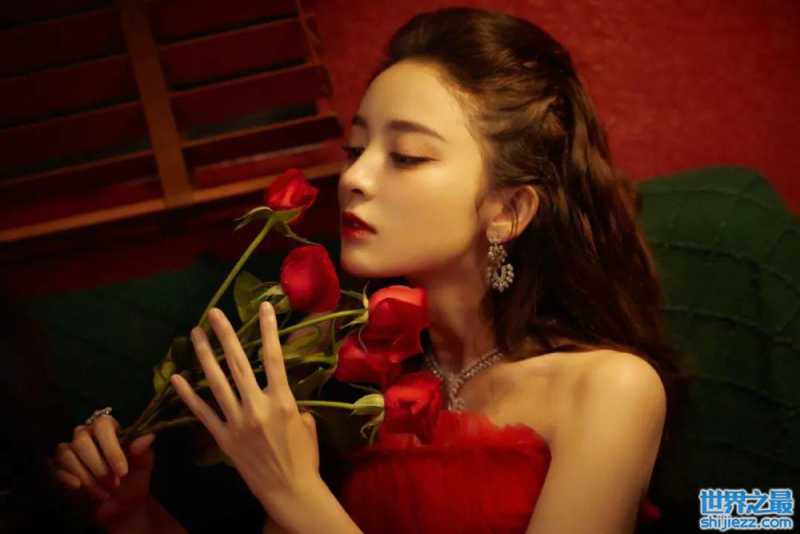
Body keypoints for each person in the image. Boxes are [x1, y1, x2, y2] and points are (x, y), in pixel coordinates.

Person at [48, 6, 685, 533]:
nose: (353, 177)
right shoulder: (349, 391)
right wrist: (134, 516)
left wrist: (294, 492)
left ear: (508, 210)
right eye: (355, 149)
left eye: (405, 156)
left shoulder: (610, 390)